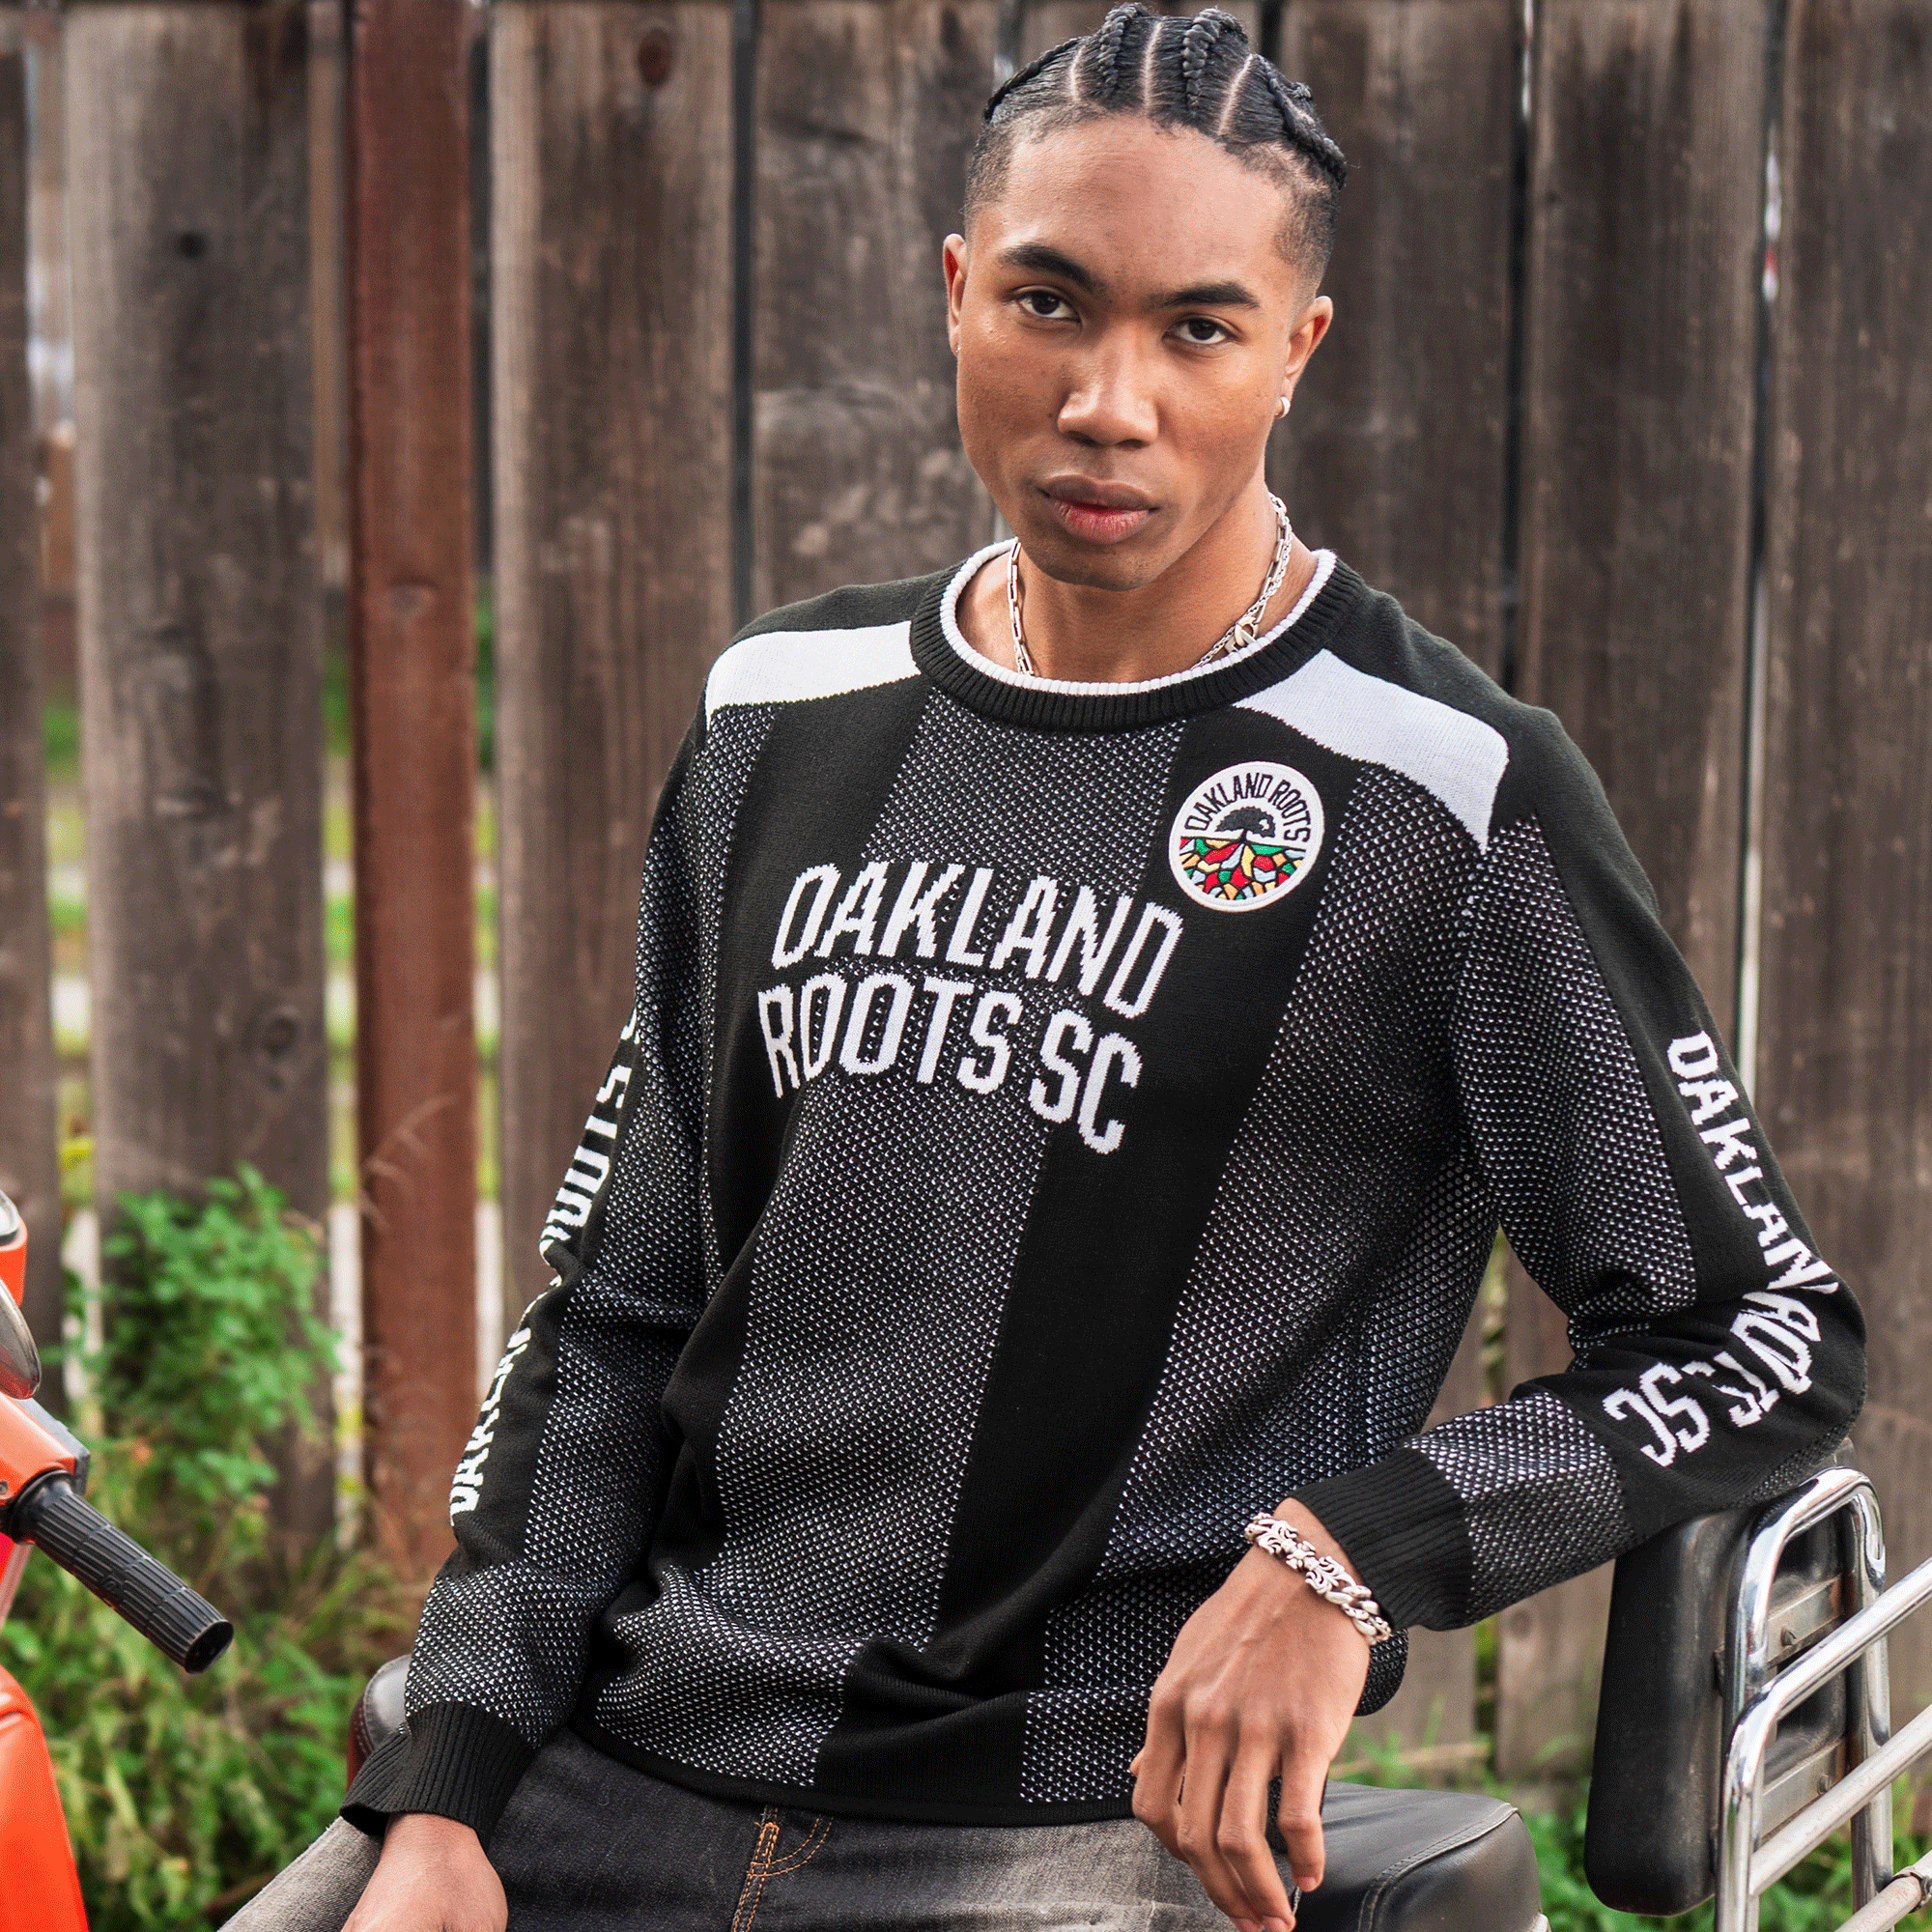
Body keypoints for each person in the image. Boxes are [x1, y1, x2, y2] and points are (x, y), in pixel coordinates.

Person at [237, 8, 1862, 1928]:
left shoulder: (1440, 792)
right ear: (953, 295)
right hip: (622, 1769)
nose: (1110, 399)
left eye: (1196, 326)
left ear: (1292, 354)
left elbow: (1759, 1336)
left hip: (1078, 1826)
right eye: (1048, 302)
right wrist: (445, 1790)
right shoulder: (780, 714)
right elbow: (612, 1314)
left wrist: (1358, 1551)